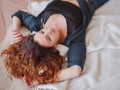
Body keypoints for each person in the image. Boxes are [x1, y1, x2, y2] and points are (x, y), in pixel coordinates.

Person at [1, 0, 109, 87]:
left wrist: (15, 29)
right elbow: (75, 70)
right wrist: (42, 79)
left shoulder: (38, 24)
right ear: (54, 47)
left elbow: (19, 14)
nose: (49, 30)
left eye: (42, 32)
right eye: (48, 38)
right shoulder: (74, 38)